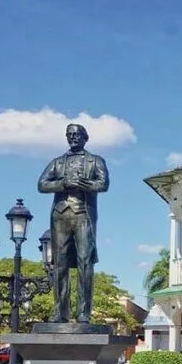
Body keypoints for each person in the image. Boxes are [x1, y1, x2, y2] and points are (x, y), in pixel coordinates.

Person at [37, 123, 110, 323]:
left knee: (85, 262)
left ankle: (83, 312)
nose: (73, 137)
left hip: (83, 214)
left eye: (77, 134)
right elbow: (42, 184)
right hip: (60, 215)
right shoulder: (57, 162)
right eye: (69, 135)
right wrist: (63, 183)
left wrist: (86, 185)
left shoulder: (95, 160)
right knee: (59, 263)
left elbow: (103, 184)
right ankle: (61, 312)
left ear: (85, 137)